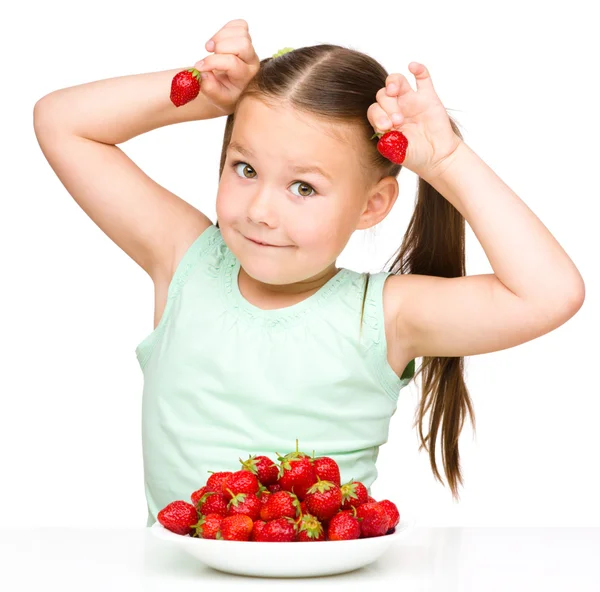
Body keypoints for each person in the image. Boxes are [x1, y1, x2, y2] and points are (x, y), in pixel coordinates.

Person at [33, 19, 585, 527]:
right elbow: (61, 123)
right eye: (245, 169)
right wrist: (203, 92)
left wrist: (445, 160)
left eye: (304, 187)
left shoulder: (384, 315)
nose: (261, 210)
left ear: (372, 205)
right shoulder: (186, 260)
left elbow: (549, 293)